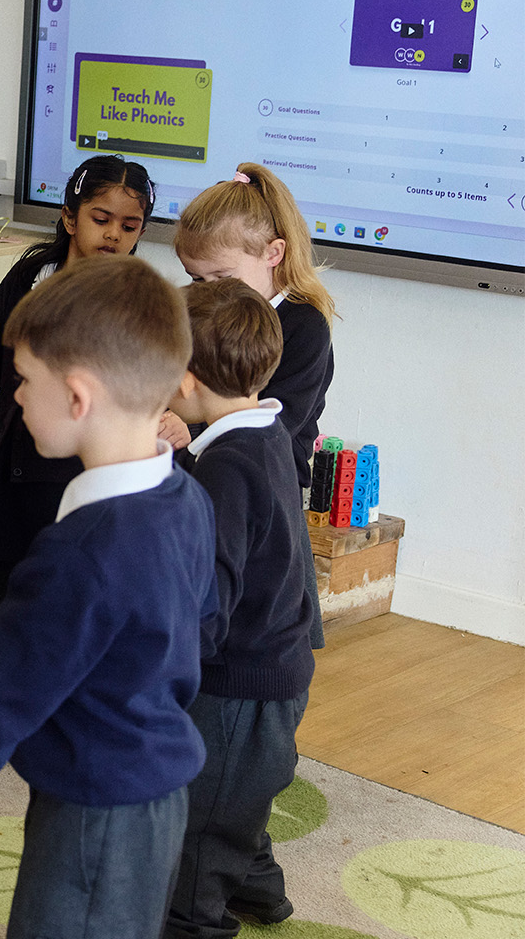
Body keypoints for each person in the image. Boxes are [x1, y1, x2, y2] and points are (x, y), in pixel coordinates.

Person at [0, 255, 217, 938]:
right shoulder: (187, 498)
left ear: (78, 397)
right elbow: (203, 624)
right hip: (152, 790)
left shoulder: (79, 552)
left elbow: (1, 702)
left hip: (96, 809)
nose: (15, 396)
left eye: (23, 381)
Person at [0, 153, 155, 616]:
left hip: (76, 484)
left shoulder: (133, 303)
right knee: (4, 606)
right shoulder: (29, 278)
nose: (113, 234)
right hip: (10, 473)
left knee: (61, 610)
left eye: (129, 226)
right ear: (69, 217)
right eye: (100, 219)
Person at [164, 279, 320, 938]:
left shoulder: (227, 467)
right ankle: (260, 891)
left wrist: (166, 674)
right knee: (237, 805)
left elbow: (211, 594)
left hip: (236, 687)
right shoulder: (267, 433)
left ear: (188, 378)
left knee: (200, 831)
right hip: (275, 670)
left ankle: (195, 923)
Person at [171, 163, 336, 648]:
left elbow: (276, 421)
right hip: (213, 482)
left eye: (221, 277)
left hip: (268, 499)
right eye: (196, 280)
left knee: (262, 634)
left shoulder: (304, 326)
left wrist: (190, 430)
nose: (209, 292)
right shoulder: (212, 314)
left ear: (273, 254)